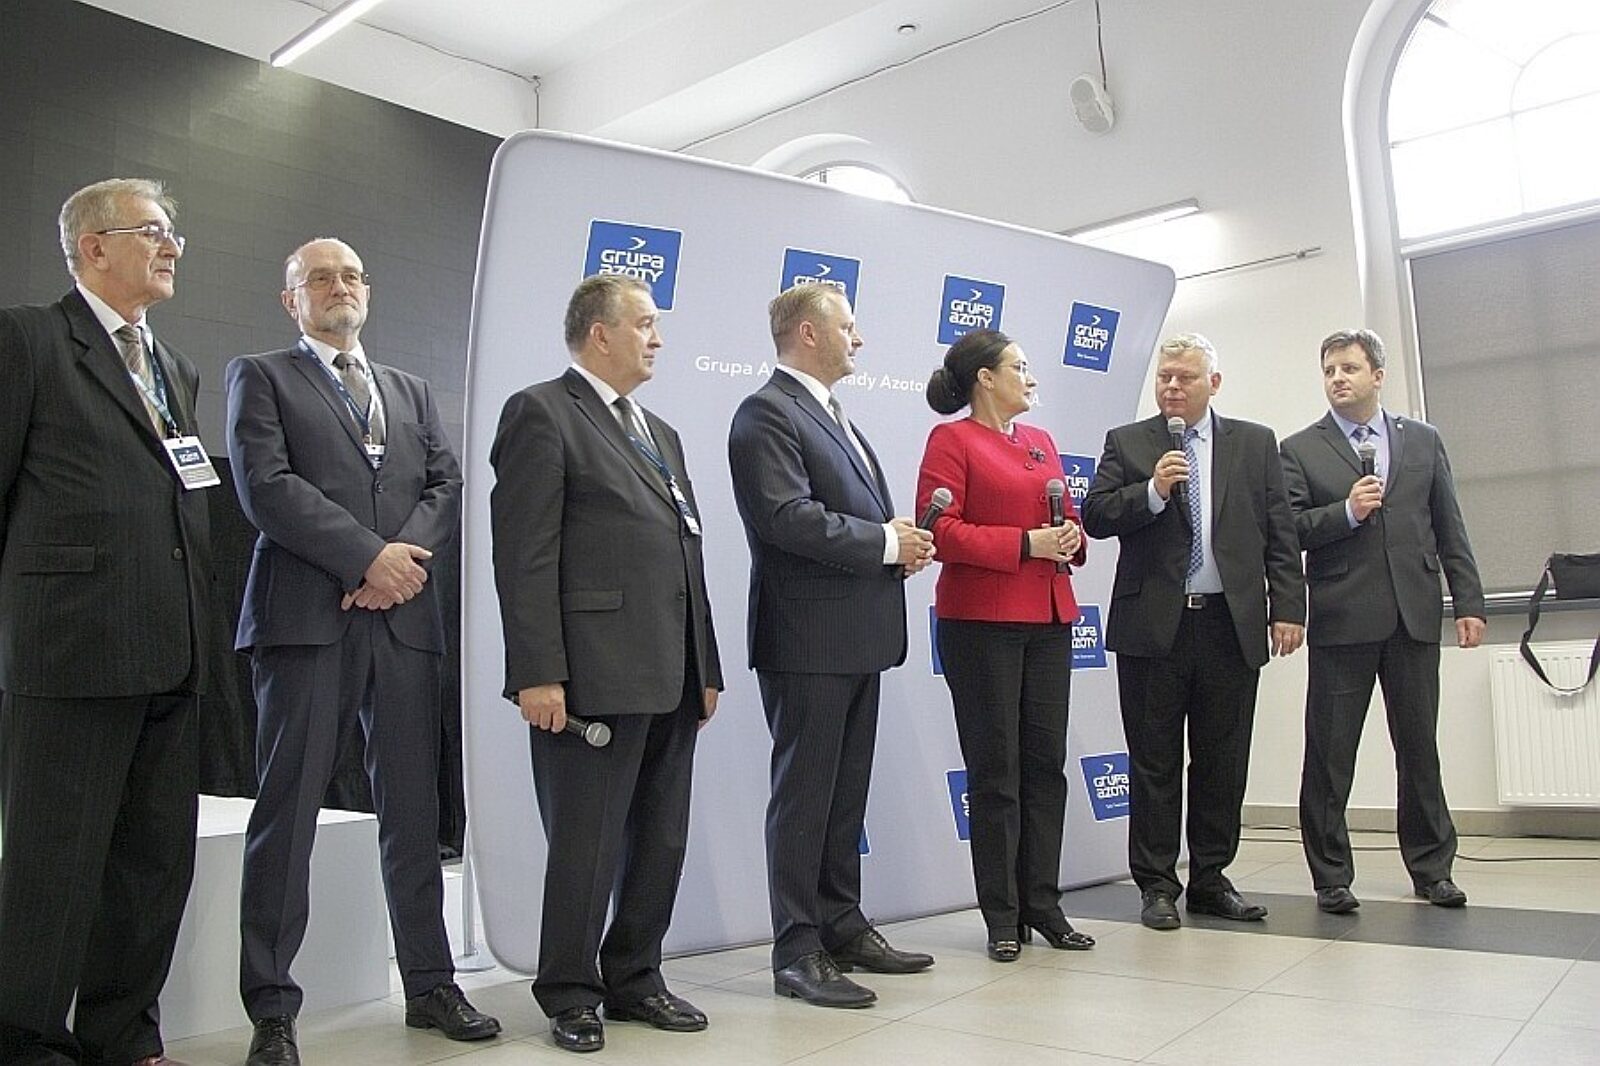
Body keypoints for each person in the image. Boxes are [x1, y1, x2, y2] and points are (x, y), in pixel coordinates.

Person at [226, 238, 498, 1066]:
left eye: (349, 276)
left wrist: (397, 566)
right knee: (288, 815)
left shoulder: (409, 391)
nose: (337, 287)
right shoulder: (261, 377)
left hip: (403, 622)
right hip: (307, 620)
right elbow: (266, 486)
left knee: (413, 814)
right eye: (319, 278)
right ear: (292, 300)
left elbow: (445, 485)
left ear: (367, 293)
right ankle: (273, 1009)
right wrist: (365, 558)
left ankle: (430, 985)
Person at [0, 178, 210, 1066]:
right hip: (71, 649)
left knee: (151, 866)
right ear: (92, 247)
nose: (171, 247)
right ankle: (26, 1042)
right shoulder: (28, 340)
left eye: (173, 234)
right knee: (52, 866)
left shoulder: (175, 367)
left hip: (172, 647)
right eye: (152, 231)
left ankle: (122, 1037)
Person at [489, 274, 722, 1054]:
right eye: (644, 324)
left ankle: (635, 978)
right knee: (586, 846)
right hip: (589, 675)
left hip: (671, 672)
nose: (657, 338)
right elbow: (524, 555)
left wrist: (706, 665)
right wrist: (536, 671)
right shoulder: (541, 412)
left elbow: (686, 552)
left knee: (660, 840)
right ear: (600, 333)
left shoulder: (661, 432)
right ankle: (570, 992)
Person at [727, 284, 936, 1011]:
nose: (860, 338)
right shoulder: (766, 412)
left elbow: (842, 518)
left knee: (844, 799)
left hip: (857, 637)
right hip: (807, 641)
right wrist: (883, 541)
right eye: (848, 326)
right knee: (805, 799)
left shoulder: (832, 413)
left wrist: (895, 549)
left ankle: (841, 925)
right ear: (809, 333)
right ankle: (797, 949)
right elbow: (786, 517)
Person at [1081, 333, 1304, 931]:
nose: (1173, 387)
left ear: (1214, 383)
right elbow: (1095, 515)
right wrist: (1152, 492)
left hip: (1230, 624)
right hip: (1154, 626)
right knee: (1153, 761)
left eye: (1185, 377)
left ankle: (1211, 878)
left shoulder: (1255, 443)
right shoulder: (1129, 442)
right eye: (1165, 377)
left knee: (1222, 761)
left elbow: (1280, 531)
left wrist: (1289, 607)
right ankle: (1156, 884)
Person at [1280, 329, 1484, 914]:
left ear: (1377, 375)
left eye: (1348, 368)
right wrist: (1346, 512)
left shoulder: (1422, 439)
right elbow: (1288, 530)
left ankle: (1433, 869)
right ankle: (1331, 877)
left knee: (1419, 750)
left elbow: (1448, 523)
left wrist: (1468, 601)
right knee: (1329, 755)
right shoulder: (1300, 449)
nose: (1337, 379)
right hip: (1342, 618)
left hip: (1413, 616)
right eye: (1329, 370)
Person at [915, 329, 1096, 963]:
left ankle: (1043, 904)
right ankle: (1001, 914)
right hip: (982, 624)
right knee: (996, 773)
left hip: (1049, 617)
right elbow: (941, 531)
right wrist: (1024, 544)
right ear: (985, 379)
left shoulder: (1040, 440)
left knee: (1046, 766)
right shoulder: (951, 440)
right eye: (1019, 366)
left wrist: (1069, 538)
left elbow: (1067, 518)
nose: (1031, 376)